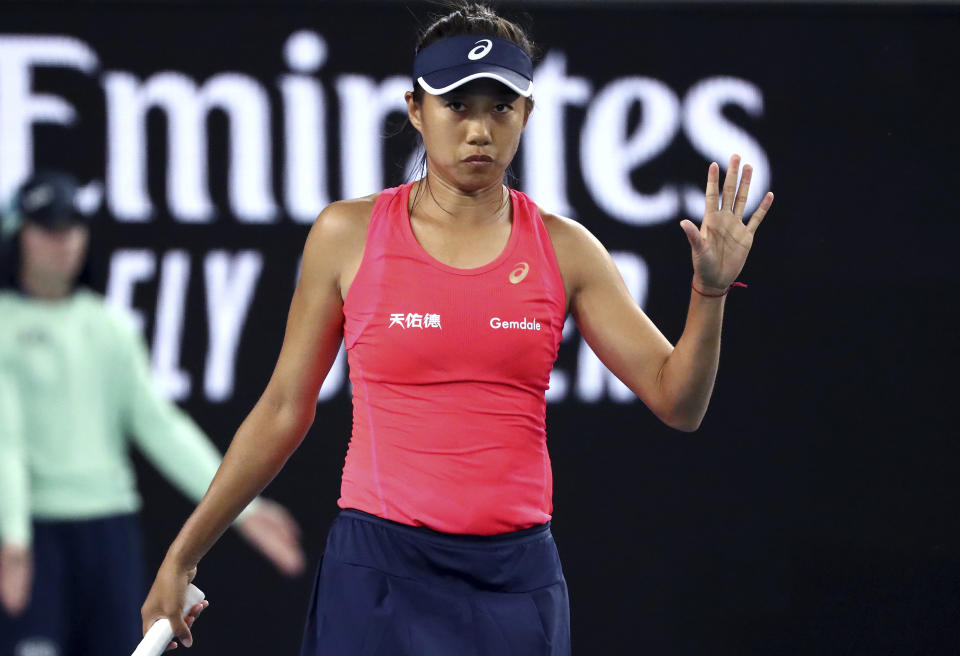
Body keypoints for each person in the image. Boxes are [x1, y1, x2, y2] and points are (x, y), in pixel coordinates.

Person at [140, 3, 776, 654]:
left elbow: (680, 403)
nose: (479, 130)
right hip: (376, 572)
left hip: (514, 583)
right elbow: (282, 409)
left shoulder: (567, 250)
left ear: (527, 114)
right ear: (416, 110)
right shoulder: (346, 235)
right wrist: (183, 554)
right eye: (457, 106)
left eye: (500, 108)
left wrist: (712, 289)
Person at [0, 171, 307, 656]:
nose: (63, 242)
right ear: (18, 236)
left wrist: (245, 510)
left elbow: (162, 426)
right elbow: (5, 441)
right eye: (48, 229)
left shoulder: (109, 327)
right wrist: (12, 536)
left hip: (109, 533)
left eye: (72, 227)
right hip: (36, 538)